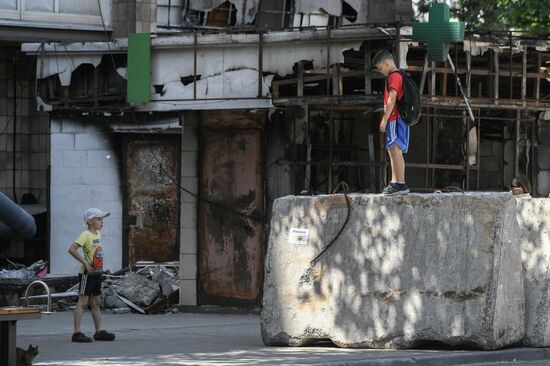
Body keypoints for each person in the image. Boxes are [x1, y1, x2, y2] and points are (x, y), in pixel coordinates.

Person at [68, 208, 115, 343]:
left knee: (95, 302)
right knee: (82, 302)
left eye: (102, 220)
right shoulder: (85, 234)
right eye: (99, 219)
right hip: (86, 274)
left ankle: (99, 331)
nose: (102, 222)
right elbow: (72, 249)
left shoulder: (97, 235)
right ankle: (77, 333)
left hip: (96, 273)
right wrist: (85, 263)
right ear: (90, 221)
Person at [373, 49, 410, 195]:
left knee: (394, 149)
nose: (381, 71)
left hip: (394, 117)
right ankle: (396, 182)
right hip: (398, 118)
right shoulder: (399, 75)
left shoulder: (393, 77)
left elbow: (391, 99)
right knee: (394, 150)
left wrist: (384, 120)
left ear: (387, 63)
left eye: (380, 68)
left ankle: (399, 184)